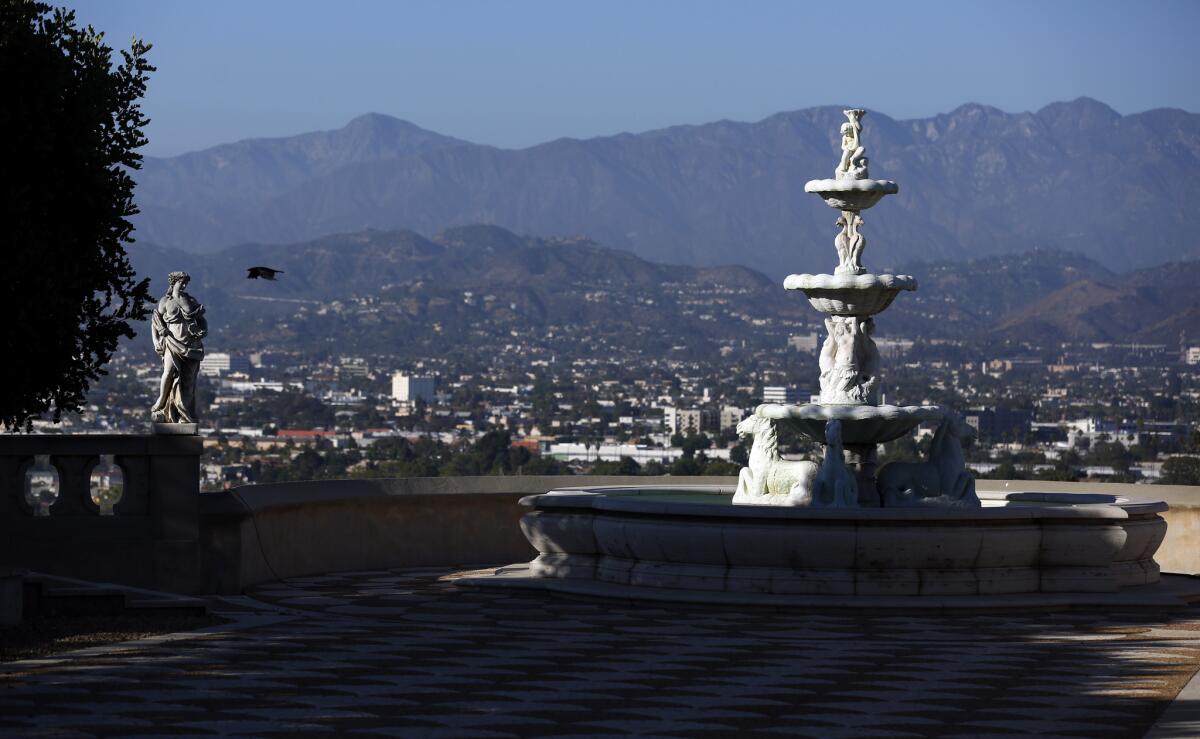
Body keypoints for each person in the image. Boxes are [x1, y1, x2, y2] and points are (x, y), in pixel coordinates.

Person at [149, 271, 207, 423]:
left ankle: (183, 414)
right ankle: (162, 400)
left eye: (186, 283)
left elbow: (202, 322)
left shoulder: (191, 301)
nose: (184, 285)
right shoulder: (165, 301)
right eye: (182, 282)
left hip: (191, 345)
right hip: (171, 342)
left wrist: (201, 331)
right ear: (174, 283)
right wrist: (156, 340)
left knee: (187, 381)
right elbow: (155, 322)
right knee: (169, 372)